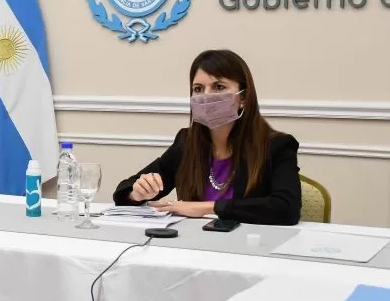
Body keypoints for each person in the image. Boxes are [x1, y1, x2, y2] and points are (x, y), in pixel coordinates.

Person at [112, 49, 301, 225]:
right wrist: (137, 194)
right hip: (194, 246)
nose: (206, 96)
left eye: (219, 87)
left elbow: (286, 209)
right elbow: (123, 191)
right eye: (198, 89)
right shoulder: (186, 142)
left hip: (250, 247)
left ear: (243, 98)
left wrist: (205, 208)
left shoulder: (277, 145)